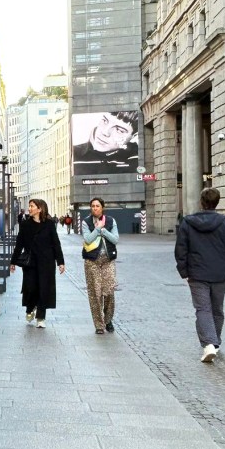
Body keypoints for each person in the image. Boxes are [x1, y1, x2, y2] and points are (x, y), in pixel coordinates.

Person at [174, 187, 225, 363]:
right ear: (217, 202)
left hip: (197, 274)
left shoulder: (188, 223)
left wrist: (184, 271)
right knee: (217, 309)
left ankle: (209, 343)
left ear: (201, 202)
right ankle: (214, 343)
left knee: (203, 309)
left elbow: (180, 250)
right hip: (221, 274)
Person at [9, 198, 65, 329]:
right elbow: (19, 244)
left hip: (47, 262)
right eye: (29, 206)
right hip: (30, 262)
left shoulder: (49, 224)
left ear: (40, 209)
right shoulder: (25, 224)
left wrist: (60, 262)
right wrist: (13, 261)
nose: (29, 208)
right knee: (31, 287)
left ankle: (41, 317)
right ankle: (29, 309)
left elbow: (56, 244)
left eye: (32, 206)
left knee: (43, 289)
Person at [80, 197, 119, 334]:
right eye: (92, 206)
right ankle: (99, 325)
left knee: (109, 291)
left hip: (108, 261)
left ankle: (108, 320)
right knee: (95, 294)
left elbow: (115, 239)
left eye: (97, 206)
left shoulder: (110, 221)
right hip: (92, 262)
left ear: (102, 207)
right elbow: (88, 239)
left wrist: (103, 230)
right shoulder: (86, 222)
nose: (95, 208)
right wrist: (97, 229)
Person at [72, 112, 140, 173]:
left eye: (119, 130)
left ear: (134, 136)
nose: (105, 132)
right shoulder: (72, 153)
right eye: (105, 121)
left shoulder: (138, 159)